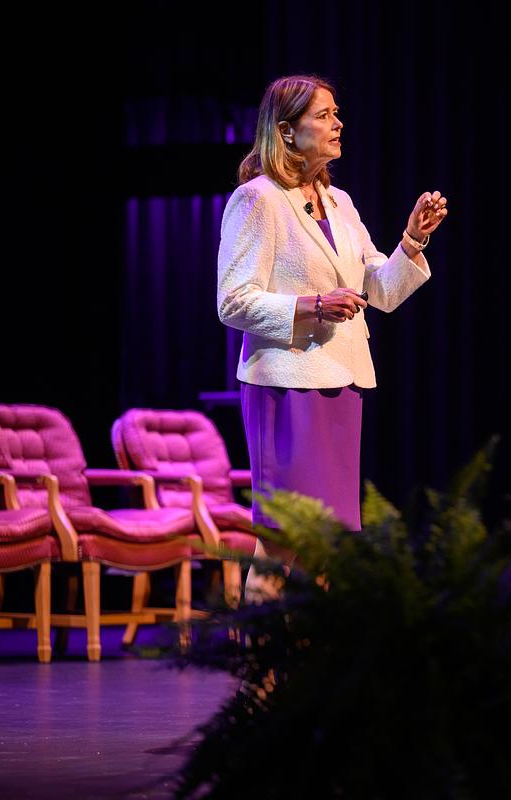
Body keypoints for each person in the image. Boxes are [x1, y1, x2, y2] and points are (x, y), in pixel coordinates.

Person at [216, 75, 447, 597]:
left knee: (324, 540)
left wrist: (412, 241)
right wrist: (311, 306)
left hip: (339, 384)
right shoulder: (258, 200)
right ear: (287, 131)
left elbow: (380, 292)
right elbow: (232, 301)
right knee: (281, 539)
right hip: (286, 386)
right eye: (323, 115)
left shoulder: (339, 202)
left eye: (336, 112)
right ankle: (261, 665)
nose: (337, 123)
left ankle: (309, 665)